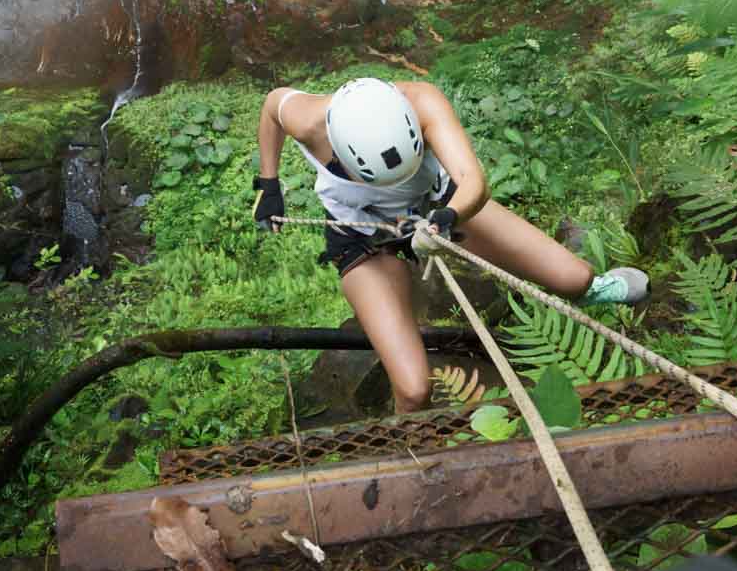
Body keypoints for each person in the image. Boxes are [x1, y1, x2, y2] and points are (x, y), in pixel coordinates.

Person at [252, 77, 648, 413]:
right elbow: (272, 107)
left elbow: (472, 182)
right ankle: (410, 453)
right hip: (365, 237)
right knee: (413, 390)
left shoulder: (423, 102)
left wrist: (446, 219)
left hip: (440, 210)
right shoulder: (310, 121)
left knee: (573, 278)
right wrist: (269, 184)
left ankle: (594, 289)